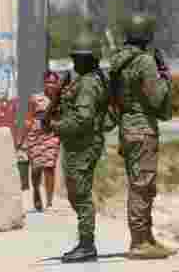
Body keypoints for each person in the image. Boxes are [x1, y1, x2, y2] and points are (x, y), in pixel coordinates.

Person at [108, 13, 176, 259]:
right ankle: (139, 242)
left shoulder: (119, 61)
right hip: (143, 128)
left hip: (128, 127)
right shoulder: (144, 62)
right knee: (141, 185)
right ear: (147, 35)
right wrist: (165, 77)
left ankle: (146, 238)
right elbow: (156, 98)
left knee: (143, 185)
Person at [48, 32, 112, 263]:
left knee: (81, 195)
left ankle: (87, 245)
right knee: (77, 194)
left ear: (90, 59)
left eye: (79, 59)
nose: (75, 62)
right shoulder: (90, 79)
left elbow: (82, 119)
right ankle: (85, 242)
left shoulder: (87, 84)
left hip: (83, 145)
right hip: (80, 144)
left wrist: (55, 127)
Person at [22, 71, 62, 212]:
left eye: (53, 82)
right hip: (36, 134)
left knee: (50, 166)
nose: (50, 85)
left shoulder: (61, 99)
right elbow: (29, 119)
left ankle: (50, 203)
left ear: (57, 84)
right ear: (44, 83)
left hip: (52, 133)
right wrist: (22, 139)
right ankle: (36, 190)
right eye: (48, 82)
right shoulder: (35, 98)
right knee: (36, 168)